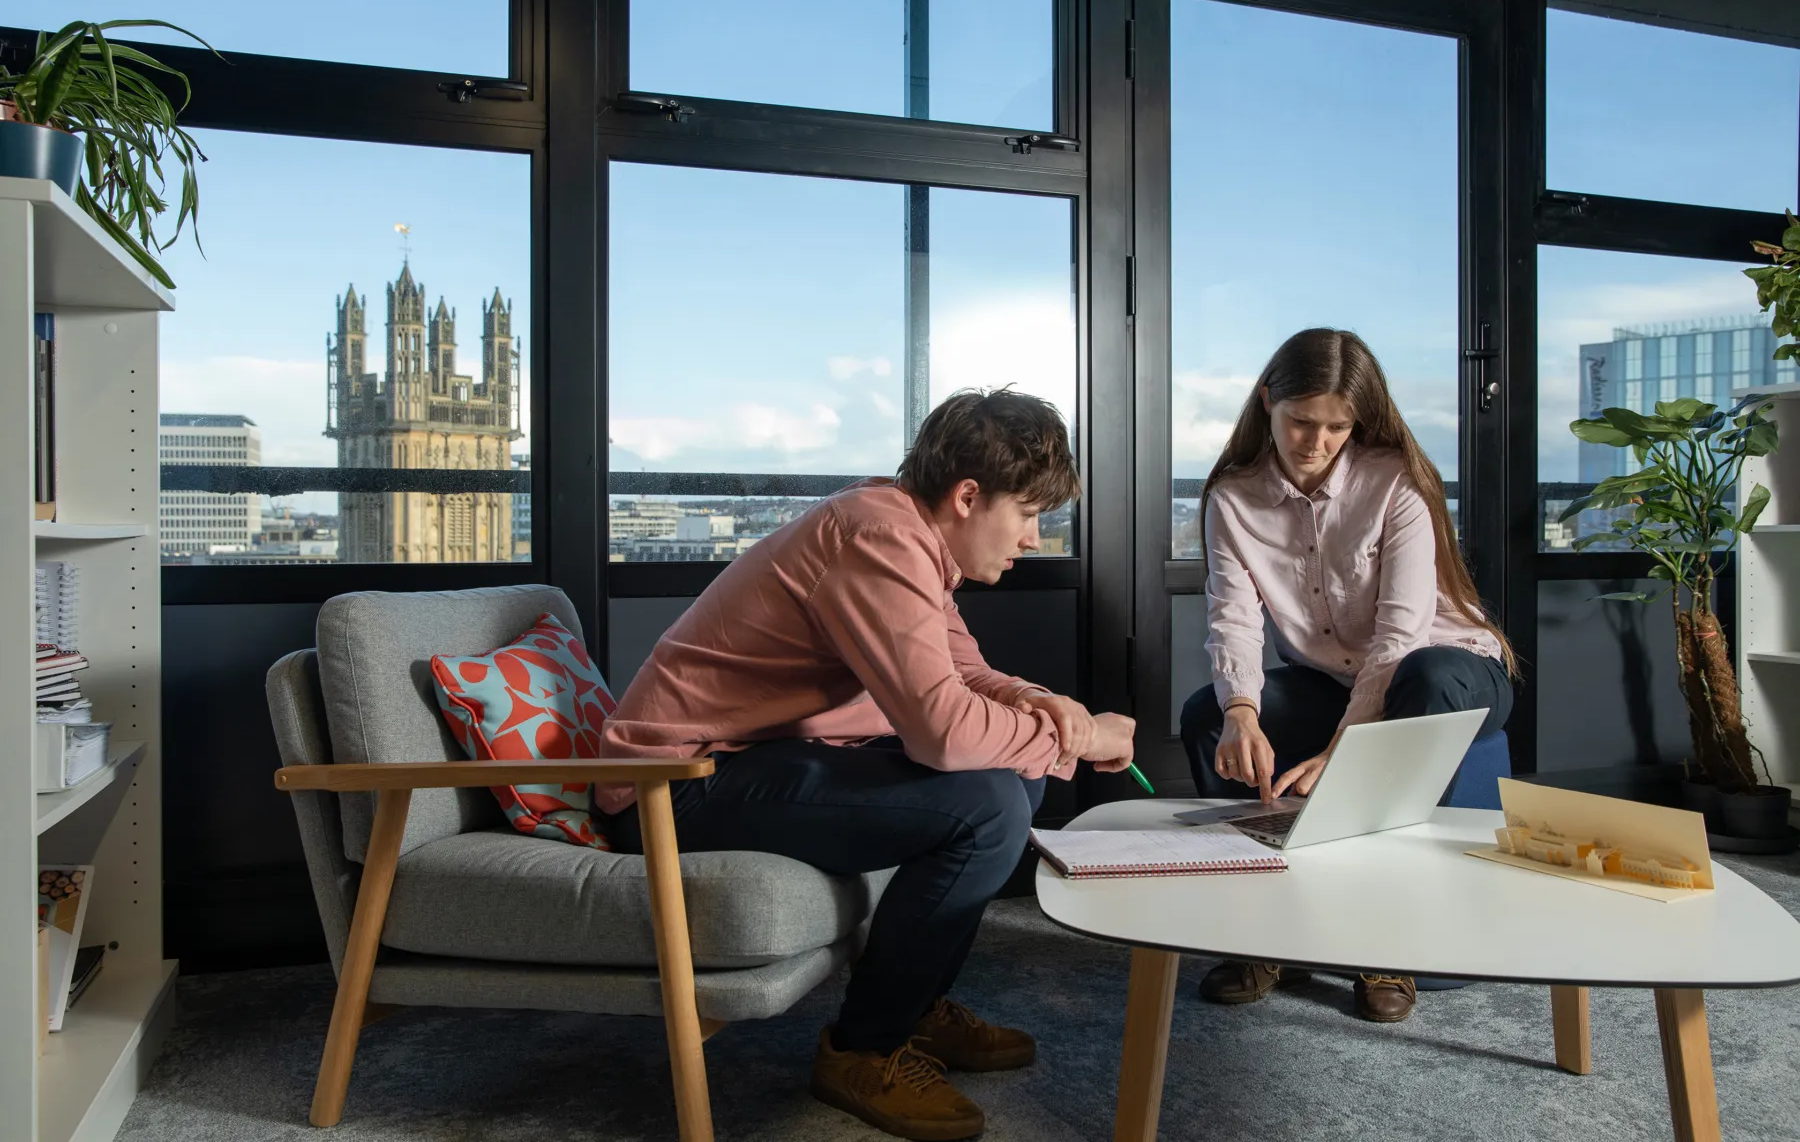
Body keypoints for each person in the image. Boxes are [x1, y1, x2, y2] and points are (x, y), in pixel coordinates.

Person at [599, 388, 1136, 1141]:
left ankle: (912, 1010)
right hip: (675, 788)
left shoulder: (904, 530)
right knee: (988, 802)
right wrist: (1072, 745)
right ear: (968, 495)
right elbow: (943, 734)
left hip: (754, 760)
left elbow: (964, 670)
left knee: (1007, 777)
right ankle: (865, 1048)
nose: (1034, 539)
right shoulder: (878, 538)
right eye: (1028, 513)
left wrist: (1049, 706)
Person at [1178, 328, 1515, 1024]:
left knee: (1425, 677)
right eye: (1301, 421)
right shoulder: (1232, 499)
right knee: (1206, 714)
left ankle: (1382, 938)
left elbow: (1400, 637)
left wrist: (1348, 749)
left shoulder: (1397, 482)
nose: (1316, 441)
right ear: (1268, 401)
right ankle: (1262, 927)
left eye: (1337, 427)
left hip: (1450, 672)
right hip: (1335, 679)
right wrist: (1241, 709)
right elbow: (1233, 621)